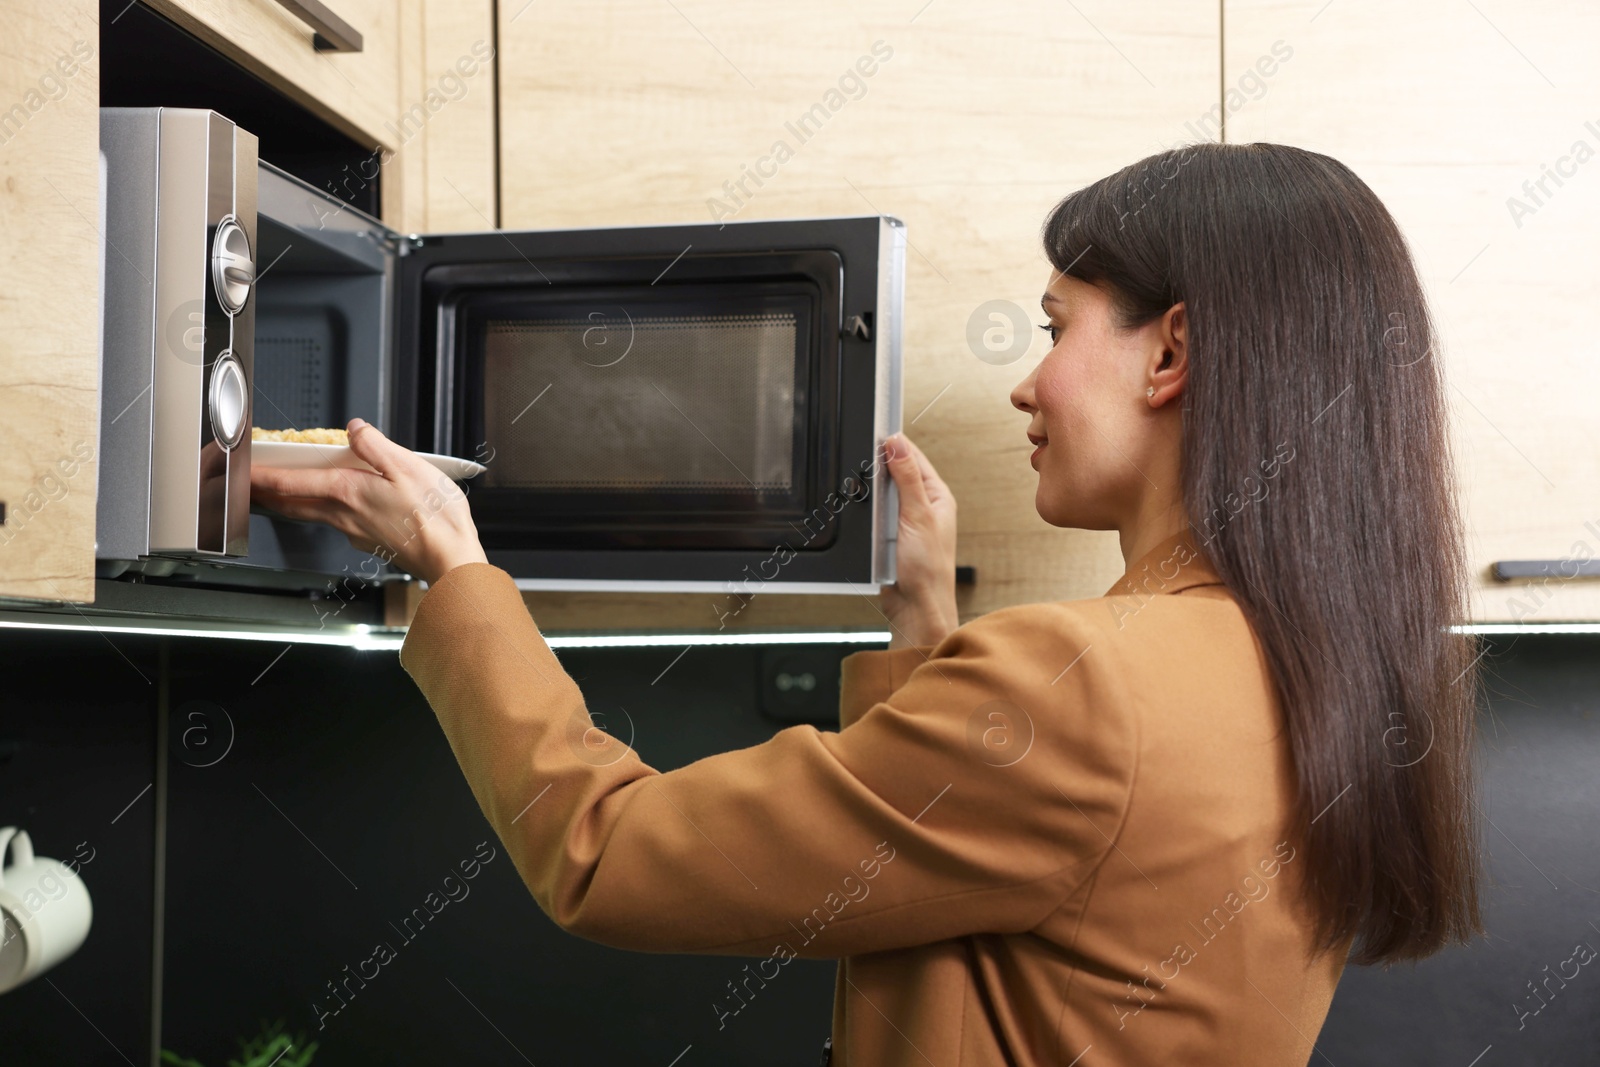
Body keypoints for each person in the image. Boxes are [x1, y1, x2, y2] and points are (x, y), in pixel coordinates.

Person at [252, 141, 1484, 1066]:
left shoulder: (1083, 686)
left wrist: (456, 569)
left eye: (1055, 326)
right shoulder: (1301, 660)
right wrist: (925, 633)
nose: (1026, 382)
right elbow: (1011, 892)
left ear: (1171, 355)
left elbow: (609, 852)